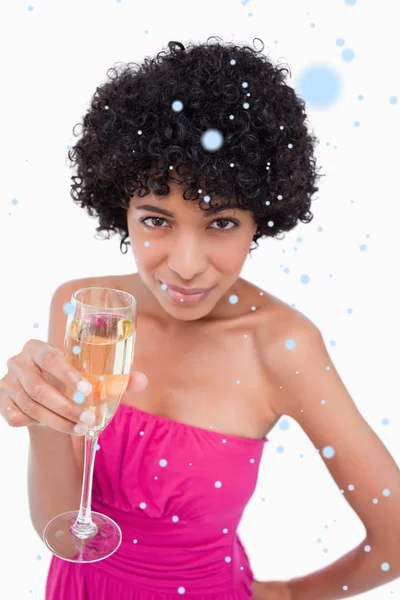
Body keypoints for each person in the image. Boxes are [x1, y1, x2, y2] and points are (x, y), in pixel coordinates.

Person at [1, 37, 400, 600]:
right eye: (157, 219)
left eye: (220, 223)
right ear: (121, 207)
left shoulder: (281, 346)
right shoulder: (88, 312)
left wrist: (287, 594)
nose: (186, 266)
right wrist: (43, 423)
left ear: (262, 216)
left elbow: (397, 534)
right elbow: (65, 533)